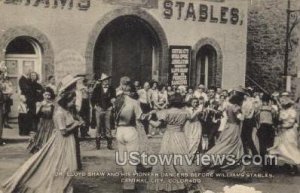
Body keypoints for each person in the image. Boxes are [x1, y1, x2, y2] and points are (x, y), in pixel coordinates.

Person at [1, 74, 84, 193]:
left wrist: (76, 122)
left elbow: (68, 123)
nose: (74, 103)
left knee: (67, 165)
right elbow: (63, 131)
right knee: (62, 165)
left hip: (67, 140)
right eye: (73, 101)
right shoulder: (60, 112)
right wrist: (76, 124)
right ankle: (60, 187)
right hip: (62, 141)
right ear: (67, 100)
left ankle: (66, 187)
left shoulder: (66, 110)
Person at [147, 93, 205, 193]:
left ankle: (169, 184)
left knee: (167, 159)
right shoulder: (185, 112)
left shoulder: (167, 112)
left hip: (169, 136)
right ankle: (189, 183)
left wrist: (148, 120)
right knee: (182, 159)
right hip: (180, 136)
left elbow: (156, 125)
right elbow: (191, 118)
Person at [114, 81, 152, 192]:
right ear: (130, 91)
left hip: (119, 131)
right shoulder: (134, 102)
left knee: (123, 158)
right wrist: (151, 114)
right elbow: (141, 117)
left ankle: (126, 182)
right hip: (130, 130)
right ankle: (129, 186)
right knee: (132, 158)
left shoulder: (116, 101)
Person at [198, 87, 247, 172]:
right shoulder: (236, 107)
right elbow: (241, 118)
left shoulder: (228, 105)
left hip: (227, 127)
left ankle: (214, 162)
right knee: (231, 145)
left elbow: (222, 112)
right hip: (233, 128)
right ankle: (215, 160)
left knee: (223, 144)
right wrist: (245, 114)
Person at [268, 96, 300, 174]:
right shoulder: (283, 111)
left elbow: (291, 123)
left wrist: (282, 126)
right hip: (283, 132)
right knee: (282, 148)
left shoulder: (292, 112)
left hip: (290, 132)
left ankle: (294, 166)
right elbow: (280, 119)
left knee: (291, 148)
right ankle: (287, 165)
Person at [91, 73, 116, 150]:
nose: (106, 82)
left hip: (108, 109)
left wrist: (112, 106)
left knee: (108, 126)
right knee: (98, 126)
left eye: (107, 80)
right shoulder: (97, 89)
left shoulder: (112, 88)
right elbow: (92, 99)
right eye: (104, 80)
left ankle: (109, 144)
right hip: (99, 109)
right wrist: (95, 107)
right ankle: (98, 145)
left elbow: (114, 98)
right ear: (102, 81)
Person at [27, 88, 55, 153]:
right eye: (46, 95)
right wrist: (41, 106)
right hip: (41, 122)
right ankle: (40, 150)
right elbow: (36, 114)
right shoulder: (39, 103)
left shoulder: (52, 104)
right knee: (41, 136)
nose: (47, 97)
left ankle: (47, 150)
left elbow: (53, 114)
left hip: (50, 122)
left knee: (49, 135)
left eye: (49, 95)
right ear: (43, 95)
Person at [257, 94, 275, 169]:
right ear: (269, 101)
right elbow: (274, 117)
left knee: (262, 146)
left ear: (262, 100)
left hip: (262, 127)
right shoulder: (272, 109)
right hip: (270, 128)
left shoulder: (259, 108)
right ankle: (271, 164)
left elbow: (256, 117)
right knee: (270, 146)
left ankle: (264, 164)